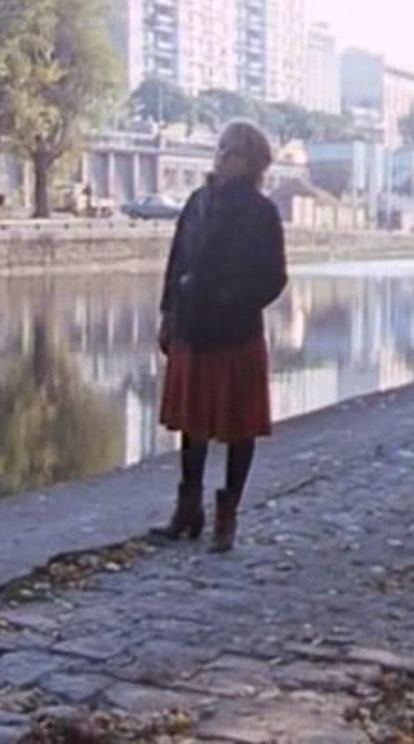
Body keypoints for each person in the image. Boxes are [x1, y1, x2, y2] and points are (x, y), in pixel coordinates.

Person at [150, 120, 288, 553]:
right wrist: (168, 313)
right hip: (192, 325)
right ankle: (188, 507)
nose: (222, 156)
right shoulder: (197, 202)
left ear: (251, 161)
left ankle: (227, 514)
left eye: (232, 151)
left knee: (239, 426)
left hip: (234, 332)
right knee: (192, 424)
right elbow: (177, 260)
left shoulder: (262, 213)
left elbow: (274, 278)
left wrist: (231, 297)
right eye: (220, 147)